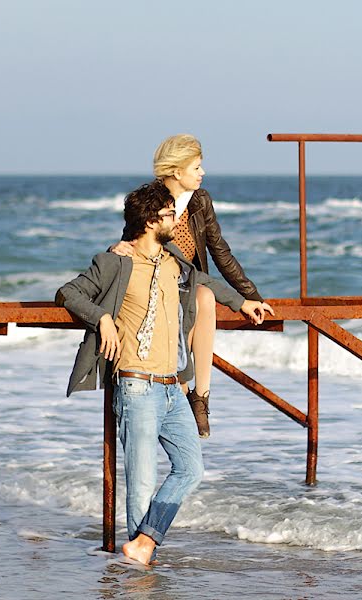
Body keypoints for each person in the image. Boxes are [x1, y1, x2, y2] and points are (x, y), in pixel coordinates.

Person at [56, 181, 273, 565]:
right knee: (140, 485)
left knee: (191, 469)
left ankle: (144, 544)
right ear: (150, 221)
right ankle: (139, 566)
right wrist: (103, 317)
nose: (177, 220)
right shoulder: (115, 262)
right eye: (170, 214)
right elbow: (68, 293)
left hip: (173, 389)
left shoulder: (173, 261)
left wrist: (244, 303)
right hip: (137, 386)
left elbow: (206, 283)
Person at [110, 134, 272, 438]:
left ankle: (202, 397)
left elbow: (220, 252)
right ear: (176, 171)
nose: (202, 172)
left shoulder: (201, 201)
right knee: (178, 356)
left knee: (205, 297)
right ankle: (179, 404)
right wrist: (115, 248)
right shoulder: (151, 201)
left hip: (195, 284)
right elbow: (130, 240)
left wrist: (251, 297)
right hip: (160, 287)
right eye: (196, 167)